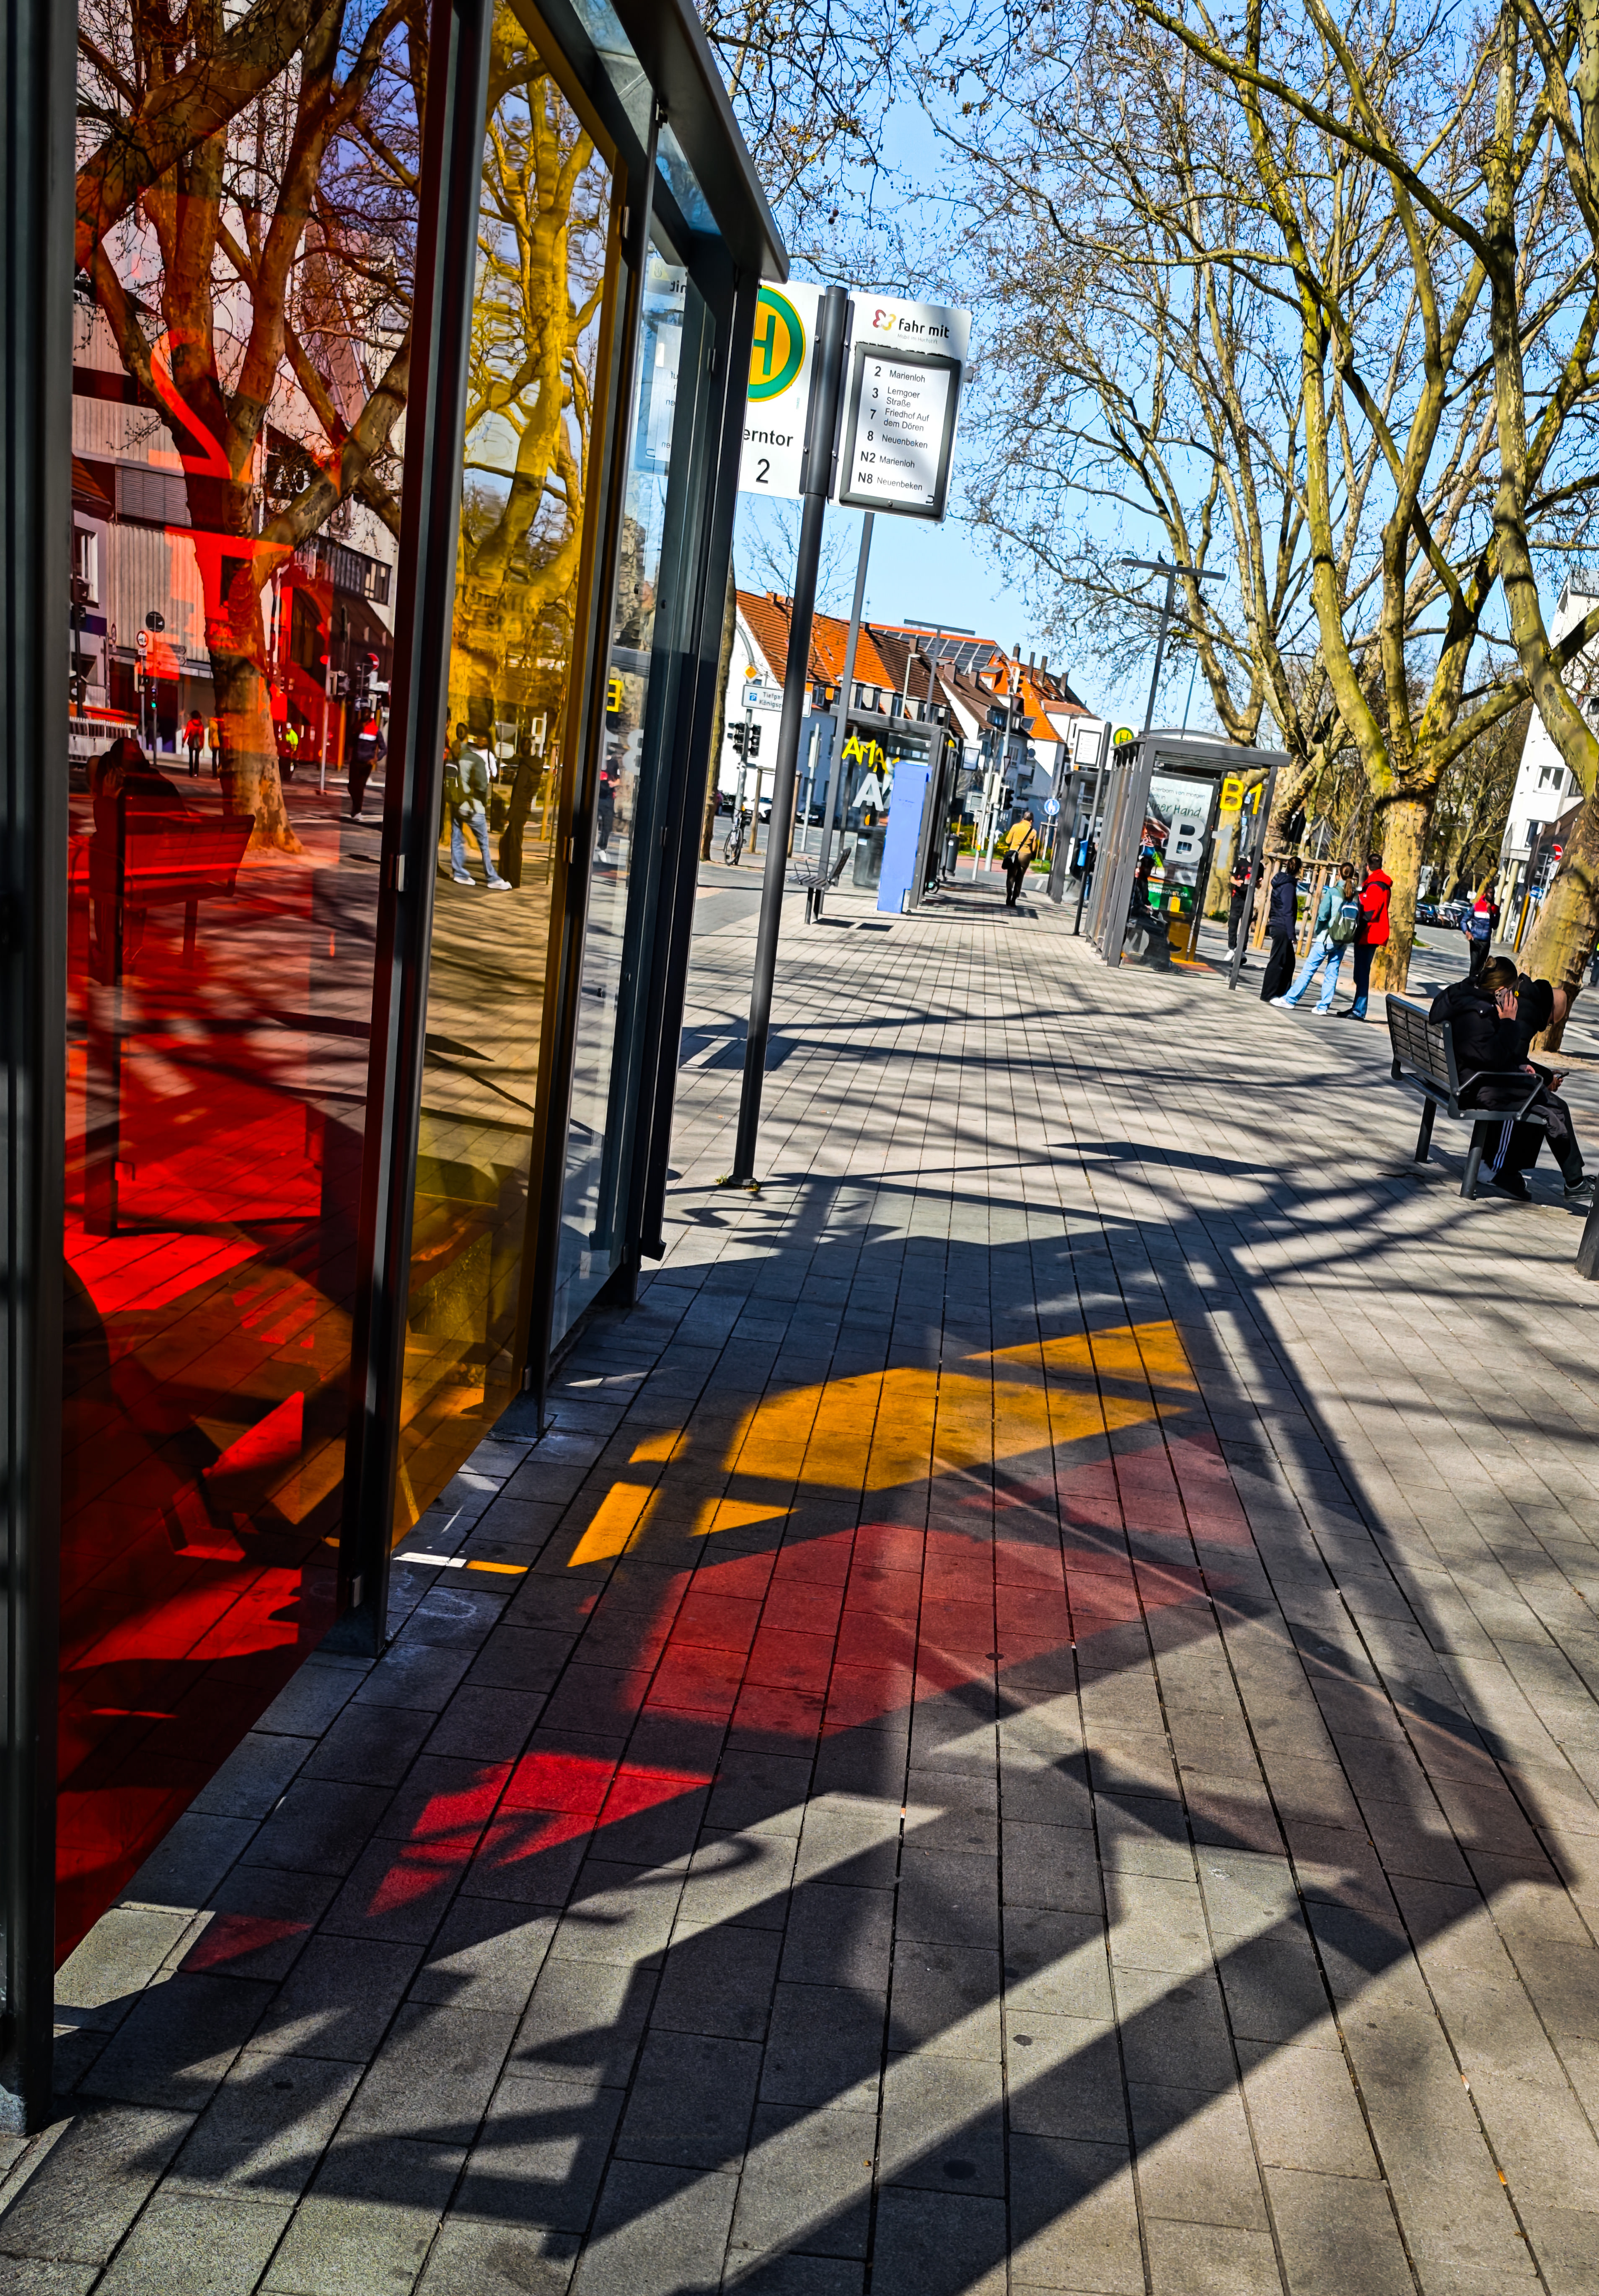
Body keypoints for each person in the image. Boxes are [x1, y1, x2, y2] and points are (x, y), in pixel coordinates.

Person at [1430, 957, 1592, 1202]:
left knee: (1544, 1098)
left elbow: (1487, 1052)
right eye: (1511, 989)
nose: (1514, 995)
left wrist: (1521, 1066)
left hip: (1460, 1077)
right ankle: (1566, 1181)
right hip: (1476, 1086)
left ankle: (1570, 1180)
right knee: (1550, 1104)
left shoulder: (1464, 996)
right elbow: (1493, 1057)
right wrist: (1508, 1021)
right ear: (1500, 990)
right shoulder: (1481, 1012)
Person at [1271, 861, 1359, 1012]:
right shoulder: (1355, 895)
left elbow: (1323, 915)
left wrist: (1319, 931)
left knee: (1309, 970)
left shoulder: (1333, 892)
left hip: (1327, 938)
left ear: (1339, 874)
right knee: (1332, 974)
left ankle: (1290, 1000)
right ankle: (1323, 1006)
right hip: (1343, 941)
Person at [447, 723, 510, 889]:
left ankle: (459, 874)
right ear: (468, 735)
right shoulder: (475, 759)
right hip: (473, 806)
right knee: (484, 843)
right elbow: (483, 786)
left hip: (456, 803)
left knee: (456, 837)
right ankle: (492, 878)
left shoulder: (453, 755)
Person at [1340, 848, 1392, 1020]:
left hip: (1369, 933)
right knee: (1360, 972)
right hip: (1371, 933)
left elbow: (1370, 913)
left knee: (1362, 973)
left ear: (1368, 867)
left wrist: (1360, 903)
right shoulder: (1378, 884)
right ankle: (1357, 1007)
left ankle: (1359, 1010)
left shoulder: (1376, 885)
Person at [1258, 852, 1302, 1001]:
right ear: (1299, 870)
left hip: (1277, 924)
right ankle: (1269, 994)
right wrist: (1292, 935)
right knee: (1277, 962)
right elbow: (1288, 911)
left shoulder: (1281, 882)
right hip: (1282, 927)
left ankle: (1283, 993)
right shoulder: (1288, 886)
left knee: (1289, 962)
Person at [349, 715, 386, 822]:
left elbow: (384, 749)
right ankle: (355, 806)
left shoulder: (375, 730)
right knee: (351, 786)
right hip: (355, 762)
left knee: (360, 787)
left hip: (367, 764)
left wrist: (376, 759)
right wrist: (355, 731)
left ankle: (358, 811)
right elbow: (350, 743)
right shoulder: (357, 727)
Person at [1002, 811, 1040, 907]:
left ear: (1023, 818)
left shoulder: (1015, 827)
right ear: (1031, 821)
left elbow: (1008, 841)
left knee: (1011, 876)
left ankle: (1009, 894)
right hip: (1026, 855)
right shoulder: (1033, 832)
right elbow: (1034, 849)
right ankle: (1014, 900)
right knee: (1020, 878)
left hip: (1014, 854)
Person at [1461, 888, 1497, 982]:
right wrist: (1467, 932)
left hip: (1486, 942)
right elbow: (1464, 921)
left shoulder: (1495, 909)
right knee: (1474, 964)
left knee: (1481, 966)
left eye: (1493, 893)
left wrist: (1491, 912)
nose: (1492, 894)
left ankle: (1477, 984)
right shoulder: (1476, 906)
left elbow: (1495, 926)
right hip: (1475, 940)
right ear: (1485, 893)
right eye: (1490, 892)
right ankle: (1469, 984)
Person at [1226, 852, 1253, 953]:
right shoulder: (1241, 863)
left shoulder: (1259, 866)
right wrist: (1236, 882)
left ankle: (1242, 950)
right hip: (1237, 897)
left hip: (1249, 898)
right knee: (1233, 923)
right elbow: (1232, 878)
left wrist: (1254, 883)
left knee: (1245, 927)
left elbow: (1259, 884)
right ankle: (1232, 948)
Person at [183, 710, 205, 779]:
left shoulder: (190, 723)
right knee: (197, 758)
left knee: (191, 758)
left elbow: (187, 732)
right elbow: (202, 735)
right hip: (198, 743)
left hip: (191, 741)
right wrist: (202, 743)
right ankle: (196, 773)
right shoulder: (201, 724)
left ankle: (191, 773)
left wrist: (184, 740)